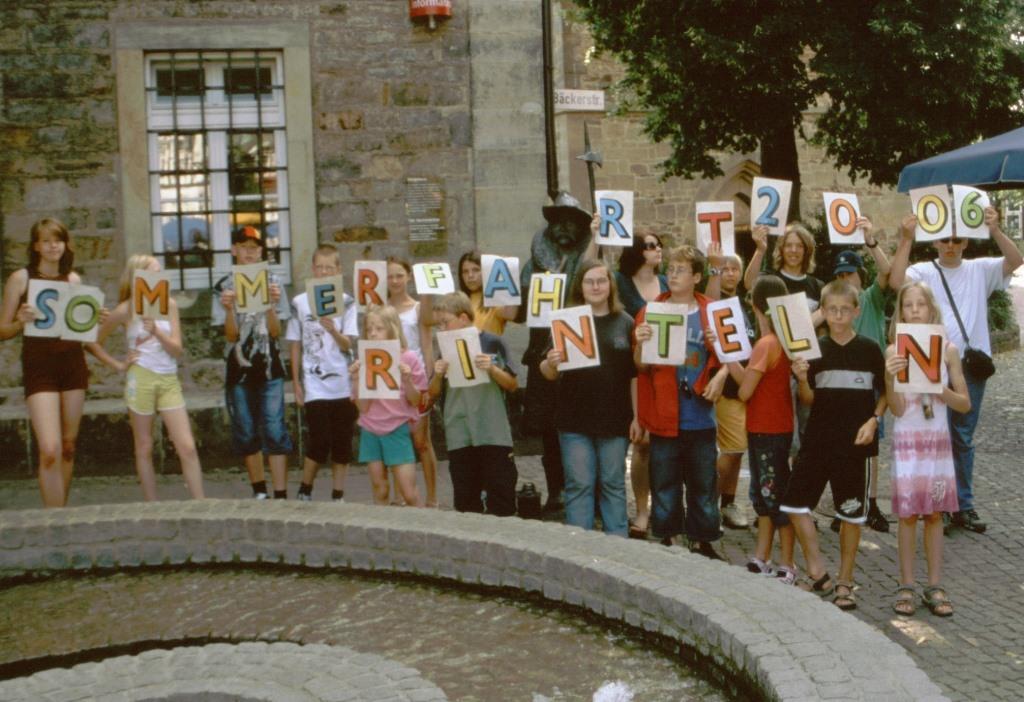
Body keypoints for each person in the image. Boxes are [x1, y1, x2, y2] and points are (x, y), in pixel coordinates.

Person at [889, 206, 1022, 534]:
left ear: (966, 242)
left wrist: (996, 231)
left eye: (957, 240)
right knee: (940, 437)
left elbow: (1016, 260)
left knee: (962, 436)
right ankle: (942, 504)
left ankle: (963, 504)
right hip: (932, 361)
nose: (950, 245)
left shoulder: (980, 269)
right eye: (944, 240)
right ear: (934, 243)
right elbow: (895, 281)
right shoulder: (925, 271)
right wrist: (906, 239)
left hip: (970, 367)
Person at [782, 280, 887, 610]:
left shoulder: (870, 349)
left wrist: (874, 419)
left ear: (856, 311)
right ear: (823, 312)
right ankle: (817, 570)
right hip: (817, 442)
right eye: (832, 310)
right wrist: (801, 378)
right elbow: (809, 399)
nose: (839, 316)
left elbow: (884, 393)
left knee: (851, 516)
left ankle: (845, 581)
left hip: (855, 447)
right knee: (795, 504)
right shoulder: (815, 350)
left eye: (845, 310)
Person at [884, 281, 970, 617]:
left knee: (934, 514)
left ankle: (934, 584)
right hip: (908, 441)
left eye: (921, 304)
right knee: (907, 516)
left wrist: (940, 390)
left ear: (931, 309)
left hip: (935, 443)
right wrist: (890, 379)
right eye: (909, 305)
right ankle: (906, 583)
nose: (915, 310)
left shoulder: (947, 349)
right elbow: (894, 408)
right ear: (901, 311)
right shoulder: (893, 351)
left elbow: (963, 403)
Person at [634, 245, 724, 559]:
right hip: (665, 414)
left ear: (697, 277)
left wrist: (722, 369)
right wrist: (641, 345)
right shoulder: (650, 310)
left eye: (681, 270)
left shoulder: (710, 311)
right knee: (665, 482)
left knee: (702, 482)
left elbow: (734, 354)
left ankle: (703, 540)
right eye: (670, 269)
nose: (673, 274)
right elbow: (641, 367)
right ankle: (668, 537)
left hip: (700, 414)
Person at [90, 255, 205, 501]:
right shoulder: (126, 309)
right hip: (140, 377)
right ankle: (151, 505)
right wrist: (119, 364)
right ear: (137, 278)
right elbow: (92, 342)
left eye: (159, 272)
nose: (158, 277)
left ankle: (200, 502)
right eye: (152, 272)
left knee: (187, 446)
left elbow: (177, 349)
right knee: (144, 446)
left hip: (167, 378)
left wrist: (157, 332)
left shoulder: (170, 305)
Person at [540, 259, 637, 537]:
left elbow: (635, 376)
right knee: (579, 485)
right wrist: (551, 362)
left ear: (611, 285)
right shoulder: (567, 320)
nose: (596, 286)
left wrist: (637, 417)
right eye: (589, 281)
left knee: (613, 484)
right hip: (574, 420)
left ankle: (618, 549)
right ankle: (579, 551)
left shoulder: (625, 322)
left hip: (615, 420)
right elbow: (547, 372)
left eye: (601, 280)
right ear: (580, 286)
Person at [0, 218, 90, 507]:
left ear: (65, 244)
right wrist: (19, 321)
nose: (53, 246)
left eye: (59, 240)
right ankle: (53, 518)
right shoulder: (21, 278)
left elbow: (81, 331)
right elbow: (3, 331)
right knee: (49, 448)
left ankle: (60, 515)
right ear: (36, 246)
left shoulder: (73, 280)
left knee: (67, 446)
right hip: (40, 367)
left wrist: (93, 318)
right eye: (47, 241)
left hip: (72, 364)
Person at [519, 192, 598, 513]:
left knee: (583, 423)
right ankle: (556, 488)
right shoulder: (534, 265)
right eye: (559, 221)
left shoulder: (588, 260)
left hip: (581, 350)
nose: (564, 228)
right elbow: (523, 306)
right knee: (550, 429)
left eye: (572, 222)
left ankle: (585, 490)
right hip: (544, 352)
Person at [723, 275, 797, 583]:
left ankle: (787, 562)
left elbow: (744, 392)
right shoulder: (782, 340)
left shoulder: (765, 344)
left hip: (766, 428)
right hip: (775, 427)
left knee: (773, 495)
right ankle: (763, 555)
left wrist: (728, 360)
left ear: (755, 306)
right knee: (766, 497)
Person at [213, 225, 293, 499]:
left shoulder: (273, 282)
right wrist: (228, 310)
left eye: (254, 247)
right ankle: (260, 491)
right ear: (234, 250)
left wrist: (270, 305)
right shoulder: (223, 285)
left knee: (274, 427)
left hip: (269, 365)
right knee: (246, 430)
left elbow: (275, 332)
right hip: (239, 368)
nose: (249, 252)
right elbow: (231, 335)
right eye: (244, 247)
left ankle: (280, 493)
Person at [828, 216, 893, 534]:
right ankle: (846, 503)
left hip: (870, 384)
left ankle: (871, 502)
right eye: (840, 275)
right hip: (842, 383)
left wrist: (871, 240)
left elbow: (888, 272)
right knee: (841, 443)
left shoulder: (870, 298)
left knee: (871, 447)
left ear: (859, 274)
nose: (846, 278)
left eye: (850, 272)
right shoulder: (835, 308)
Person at [428, 292, 518, 516]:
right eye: (438, 324)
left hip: (492, 432)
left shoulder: (493, 342)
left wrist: (493, 369)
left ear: (464, 319)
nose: (442, 329)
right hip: (460, 434)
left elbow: (513, 384)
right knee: (466, 503)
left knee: (502, 500)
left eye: (445, 322)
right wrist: (438, 375)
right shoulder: (444, 349)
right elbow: (432, 393)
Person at [287, 244, 358, 503]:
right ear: (313, 269)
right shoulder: (300, 302)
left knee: (342, 441)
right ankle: (305, 487)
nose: (324, 271)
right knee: (319, 439)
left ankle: (338, 494)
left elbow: (348, 344)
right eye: (320, 267)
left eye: (330, 267)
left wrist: (333, 330)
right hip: (314, 382)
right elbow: (295, 344)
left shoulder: (348, 301)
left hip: (342, 381)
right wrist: (296, 382)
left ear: (338, 270)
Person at [614, 230, 669, 538]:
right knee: (641, 442)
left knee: (666, 443)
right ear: (637, 251)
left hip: (662, 369)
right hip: (631, 368)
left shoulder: (665, 284)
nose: (657, 250)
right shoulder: (621, 282)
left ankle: (665, 507)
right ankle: (642, 509)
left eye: (659, 245)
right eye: (650, 246)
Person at [350, 305, 427, 508]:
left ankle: (424, 529)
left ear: (393, 329)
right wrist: (357, 380)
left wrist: (408, 379)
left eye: (379, 328)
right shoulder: (364, 360)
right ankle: (382, 532)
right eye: (369, 329)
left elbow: (416, 400)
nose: (373, 333)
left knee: (409, 493)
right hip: (370, 429)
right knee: (380, 489)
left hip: (396, 428)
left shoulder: (408, 358)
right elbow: (363, 408)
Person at [386, 257, 438, 507]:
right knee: (397, 439)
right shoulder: (381, 307)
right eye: (390, 276)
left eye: (399, 275)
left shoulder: (418, 308)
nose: (394, 281)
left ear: (408, 277)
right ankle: (400, 497)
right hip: (390, 380)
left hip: (415, 378)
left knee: (421, 441)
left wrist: (429, 379)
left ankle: (432, 498)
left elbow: (426, 341)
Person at [714, 252, 755, 530]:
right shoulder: (713, 301)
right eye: (724, 268)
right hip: (722, 387)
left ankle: (726, 502)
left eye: (733, 269)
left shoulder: (744, 305)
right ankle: (709, 501)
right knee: (731, 448)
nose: (729, 273)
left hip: (742, 387)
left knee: (737, 450)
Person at [454, 250, 518, 336]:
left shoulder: (494, 298)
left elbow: (511, 315)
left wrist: (509, 272)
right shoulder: (458, 300)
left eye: (476, 270)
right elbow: (431, 319)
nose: (470, 275)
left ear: (487, 271)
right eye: (465, 271)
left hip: (488, 349)